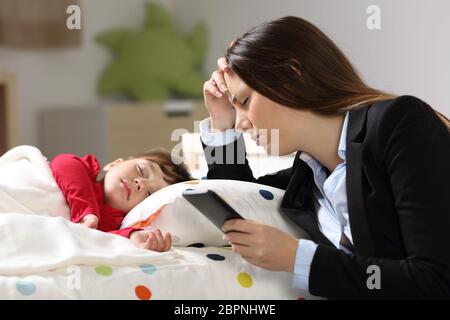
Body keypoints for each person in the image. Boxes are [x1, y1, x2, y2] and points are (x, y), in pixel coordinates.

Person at [199, 16, 450, 299]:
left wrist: (297, 258)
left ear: (290, 77)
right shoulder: (303, 184)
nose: (240, 124)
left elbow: (437, 281)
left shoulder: (398, 124)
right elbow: (238, 199)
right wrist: (219, 124)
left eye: (244, 102)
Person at [50, 148, 191, 252]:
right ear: (114, 164)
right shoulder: (85, 171)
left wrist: (133, 237)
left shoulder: (112, 222)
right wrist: (87, 212)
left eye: (149, 194)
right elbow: (64, 163)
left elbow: (101, 239)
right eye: (141, 170)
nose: (140, 183)